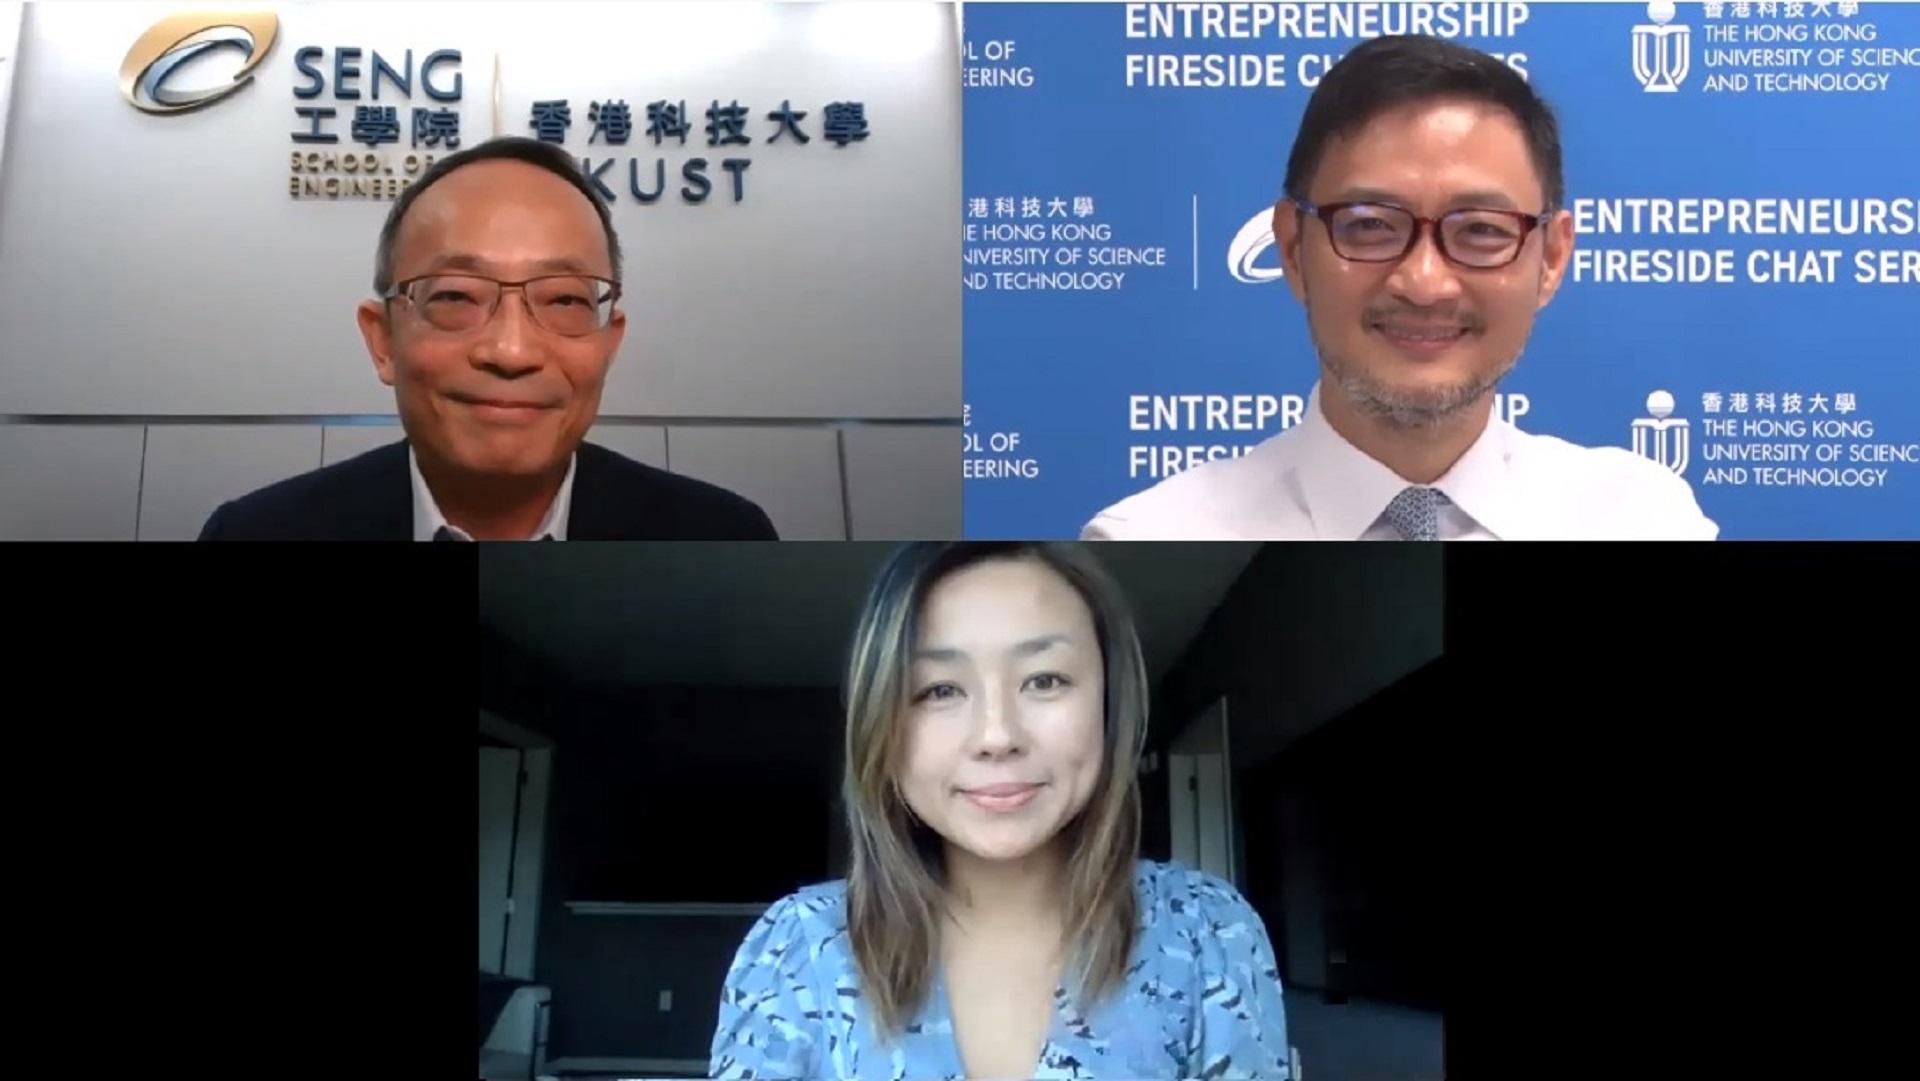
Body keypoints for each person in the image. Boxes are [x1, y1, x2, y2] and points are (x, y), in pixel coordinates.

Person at [1083, 36, 1716, 541]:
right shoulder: (1151, 539)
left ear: (1551, 258)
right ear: (1292, 250)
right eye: (1369, 226)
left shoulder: (1645, 522)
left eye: (1481, 231)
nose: (1424, 282)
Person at [711, 543, 1291, 1080]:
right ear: (880, 724)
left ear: (1110, 706)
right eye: (939, 689)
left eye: (1045, 680)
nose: (996, 735)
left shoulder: (1209, 932)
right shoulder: (797, 947)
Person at [198, 137, 777, 540]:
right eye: (455, 296)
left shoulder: (724, 536)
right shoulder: (256, 532)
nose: (511, 352)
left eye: (565, 299)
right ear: (382, 341)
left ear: (609, 342)